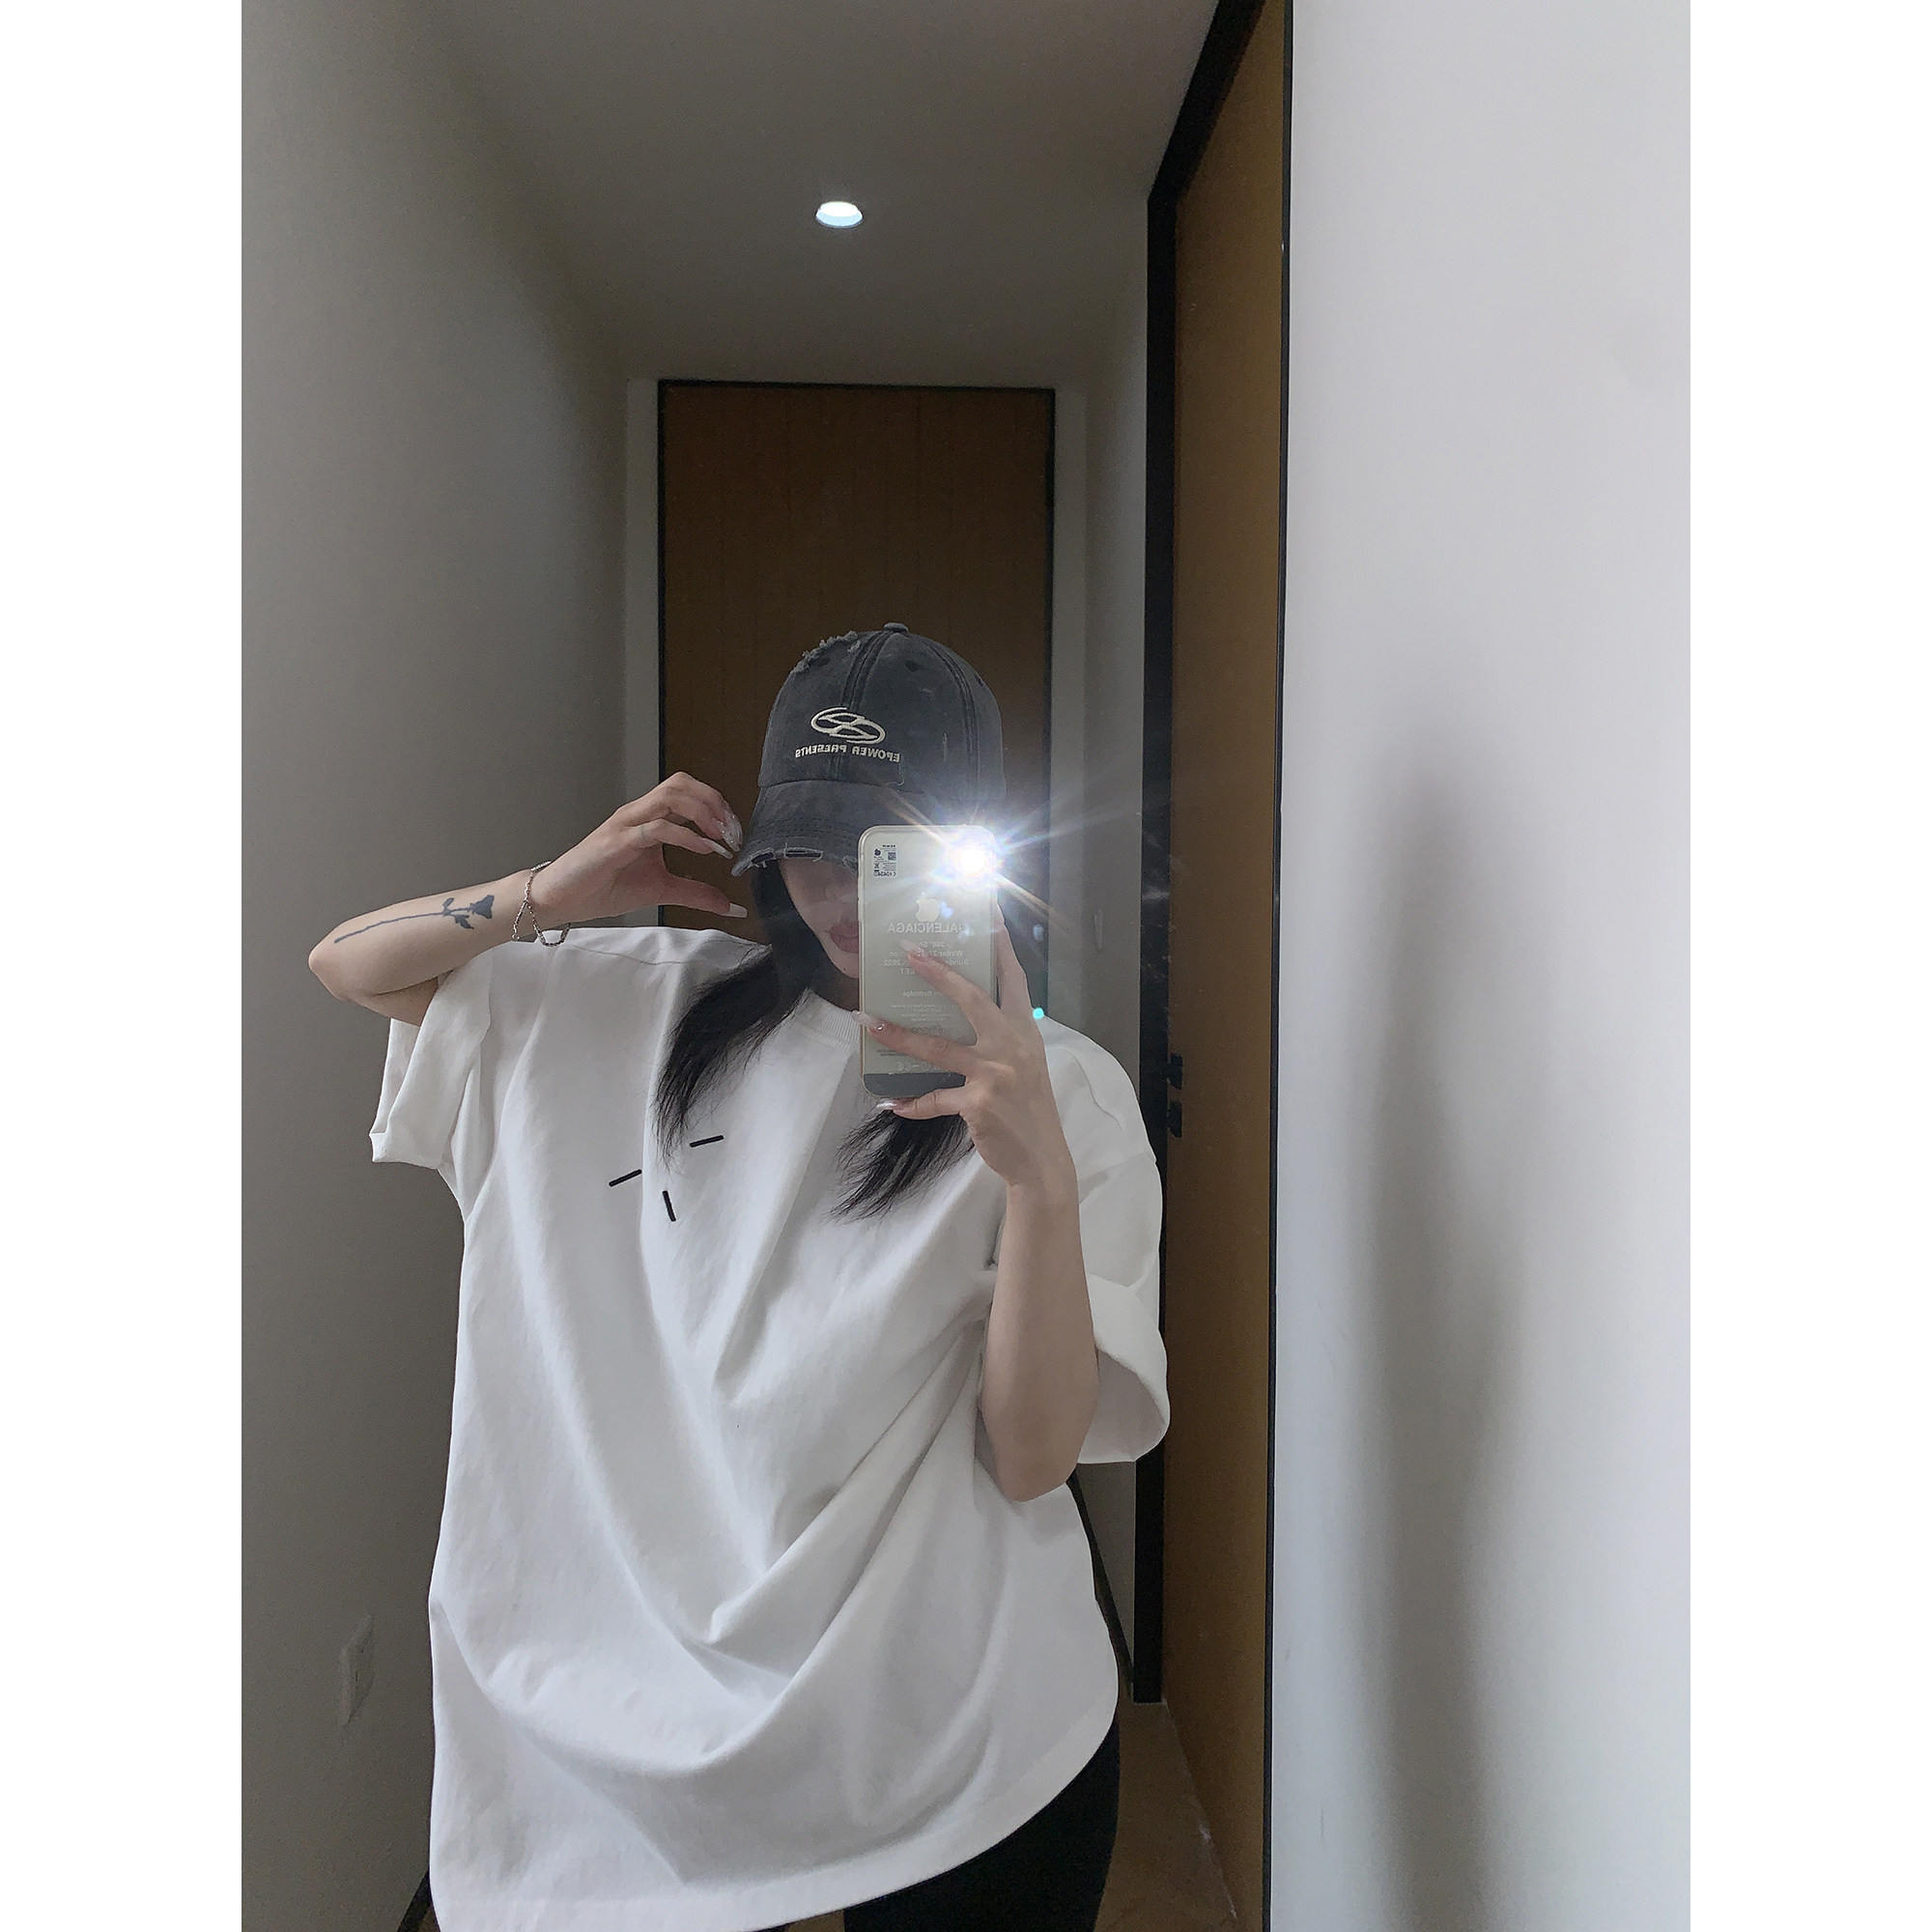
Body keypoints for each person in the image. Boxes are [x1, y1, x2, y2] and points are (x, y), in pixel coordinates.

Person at [309, 625, 1169, 1932]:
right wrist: (549, 891)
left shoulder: (1069, 1092)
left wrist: (1039, 1176)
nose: (842, 891)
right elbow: (348, 965)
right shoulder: (629, 1003)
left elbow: (1034, 1453)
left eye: (888, 851)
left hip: (964, 1735)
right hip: (630, 1723)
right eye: (813, 844)